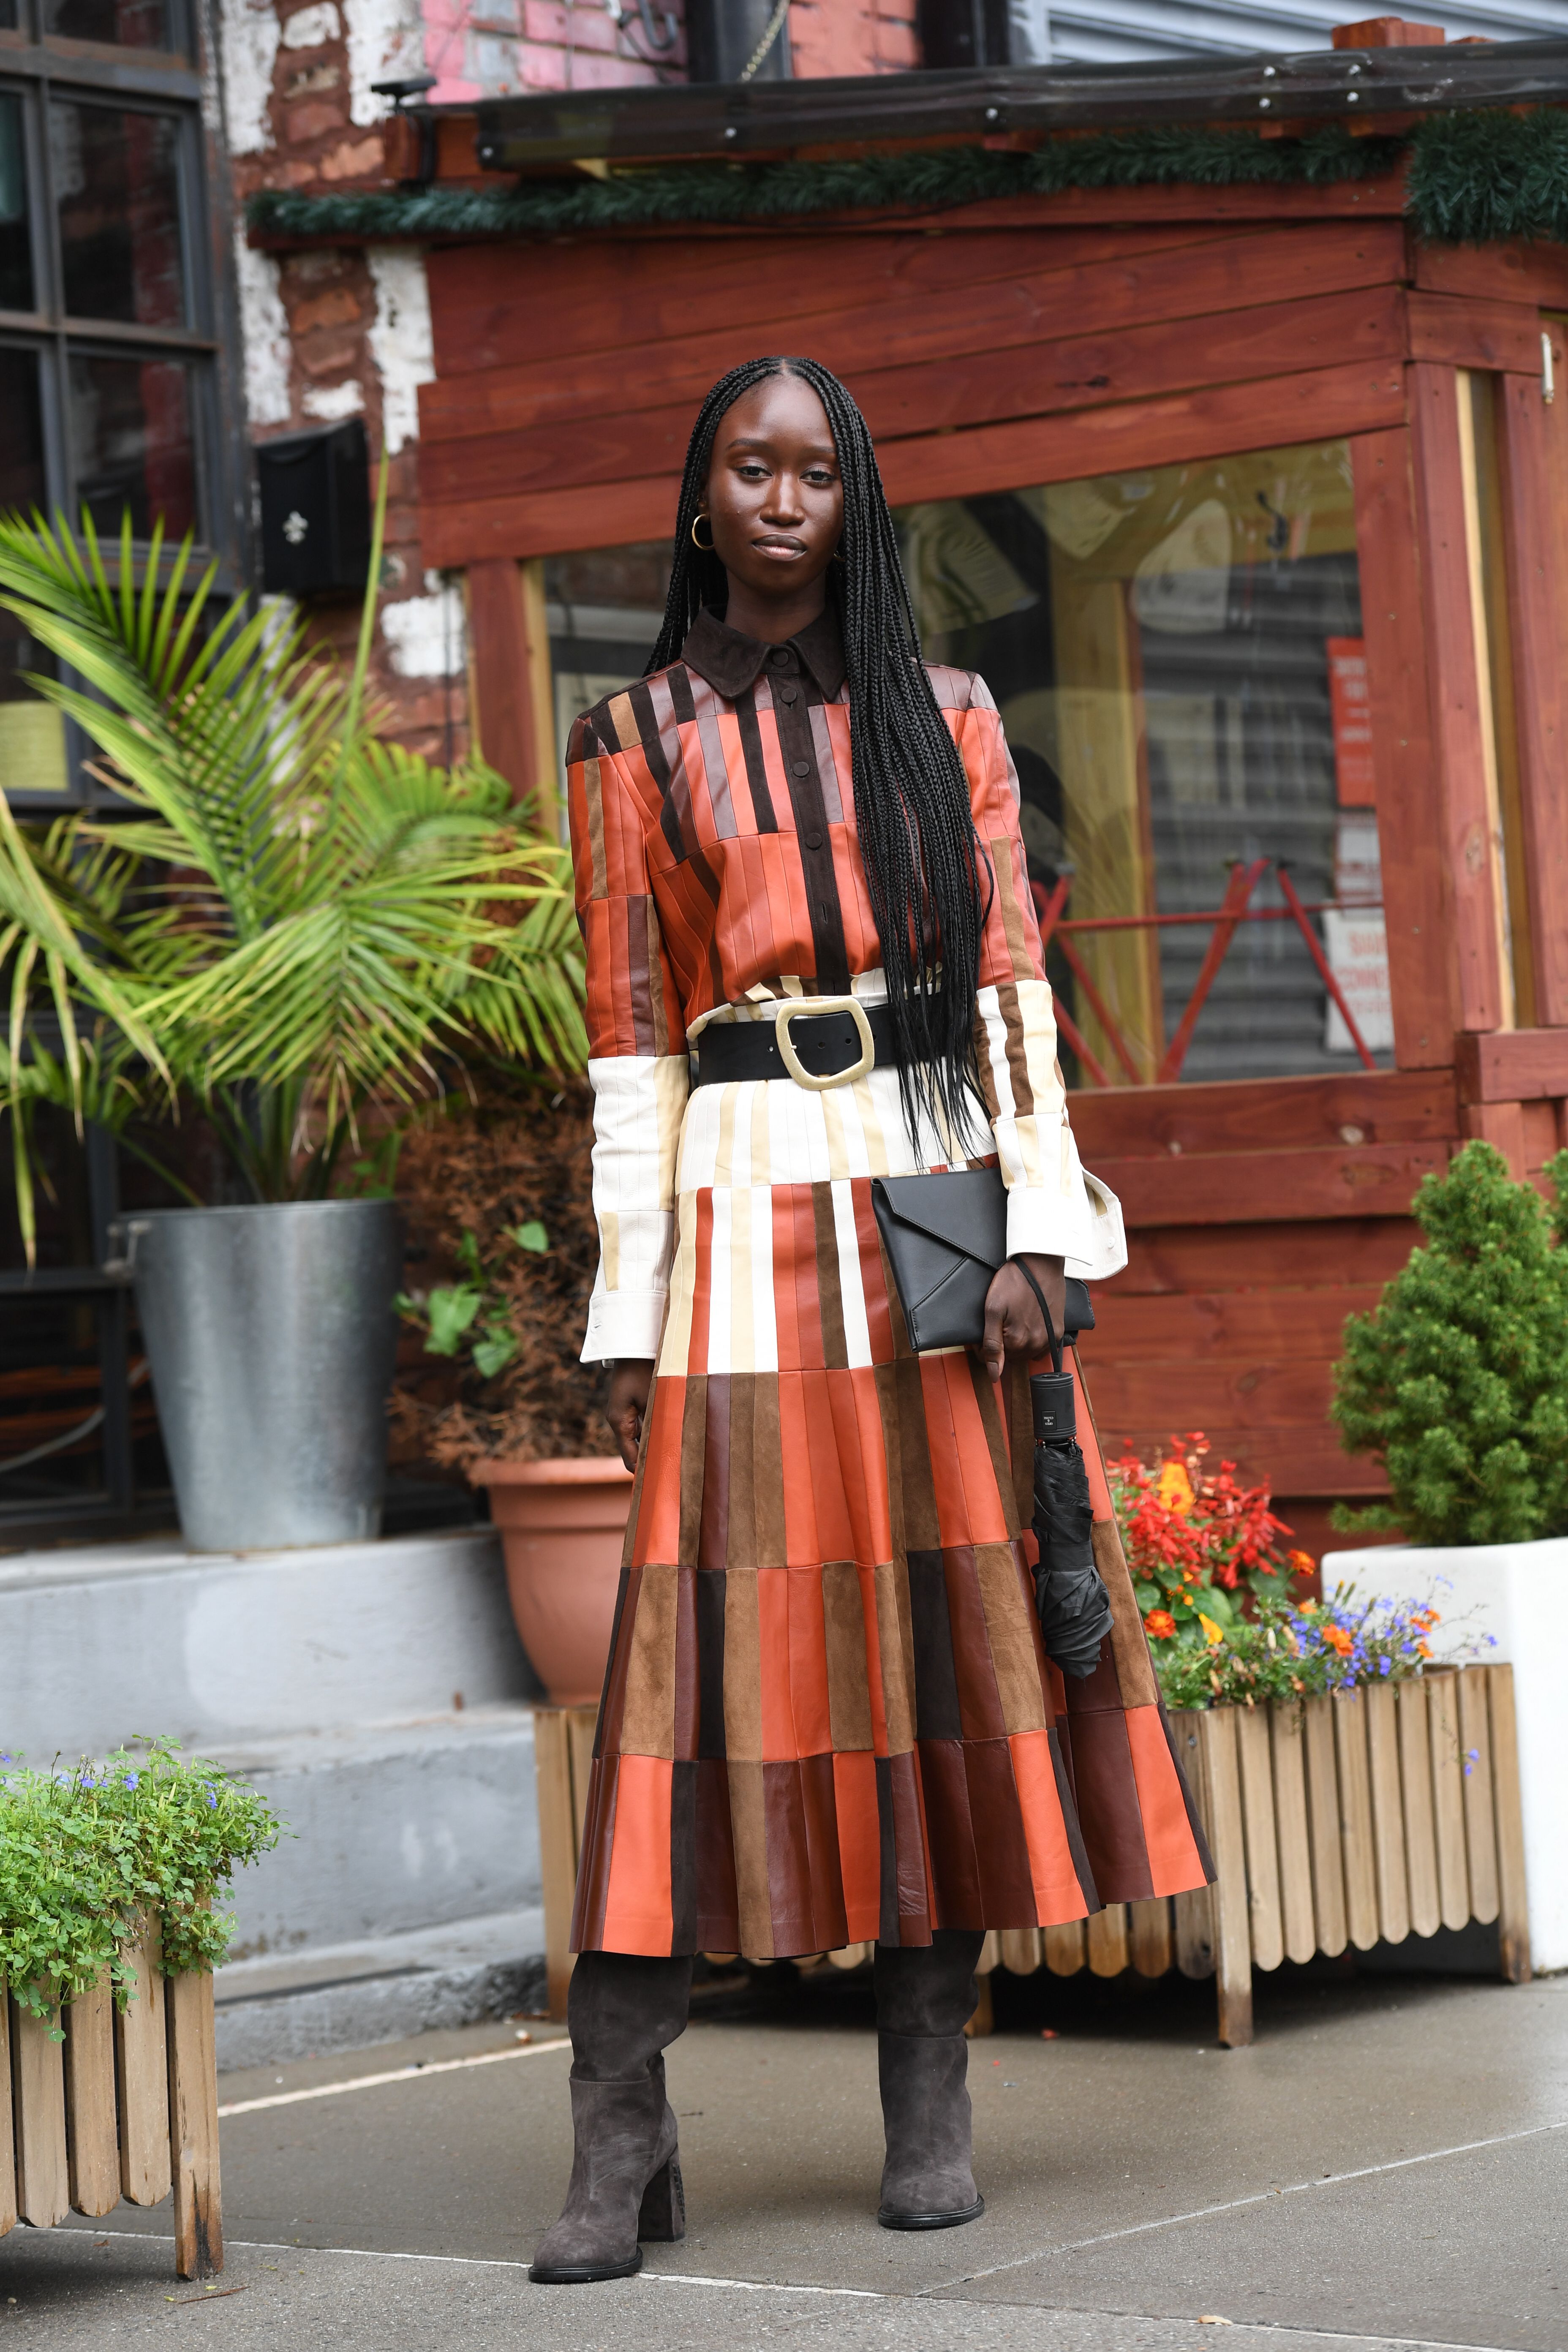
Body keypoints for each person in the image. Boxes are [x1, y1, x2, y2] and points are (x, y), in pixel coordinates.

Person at [532, 357, 1212, 2286]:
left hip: (926, 1221)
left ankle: (930, 2096)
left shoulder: (953, 717)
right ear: (699, 499)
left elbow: (1007, 979)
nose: (778, 499)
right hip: (740, 1224)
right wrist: (630, 1298)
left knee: (938, 1648)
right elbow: (629, 1045)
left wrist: (1034, 1231)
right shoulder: (632, 739)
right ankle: (622, 2124)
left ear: (858, 500)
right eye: (747, 468)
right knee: (695, 1666)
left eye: (812, 471)